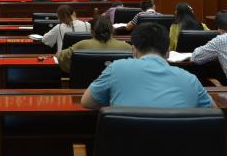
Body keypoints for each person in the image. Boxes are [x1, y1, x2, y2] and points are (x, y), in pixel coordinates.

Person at [81, 22, 212, 109]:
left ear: (133, 50)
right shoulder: (190, 80)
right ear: (167, 52)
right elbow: (213, 112)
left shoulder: (116, 68)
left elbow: (87, 102)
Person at [59, 14, 131, 73]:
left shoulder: (81, 45)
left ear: (92, 32)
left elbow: (61, 58)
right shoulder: (127, 48)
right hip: (118, 86)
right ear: (112, 31)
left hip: (86, 85)